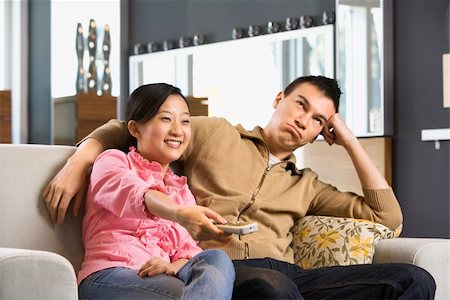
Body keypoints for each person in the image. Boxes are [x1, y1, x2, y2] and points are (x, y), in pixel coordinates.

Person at [44, 76, 435, 299]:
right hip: (225, 272)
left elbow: (387, 217)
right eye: (300, 105)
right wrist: (81, 159)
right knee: (270, 287)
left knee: (414, 280)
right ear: (279, 98)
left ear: (323, 132)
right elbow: (138, 127)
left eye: (318, 120)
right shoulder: (215, 133)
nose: (303, 121)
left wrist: (349, 139)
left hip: (290, 276)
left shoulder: (309, 185)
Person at [76, 83, 235, 299]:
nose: (178, 130)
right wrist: (179, 213)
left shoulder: (181, 190)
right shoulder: (113, 161)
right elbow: (136, 193)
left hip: (161, 277)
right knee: (181, 294)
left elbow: (187, 249)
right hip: (108, 275)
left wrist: (174, 266)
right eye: (166, 119)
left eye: (185, 121)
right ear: (135, 129)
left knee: (217, 259)